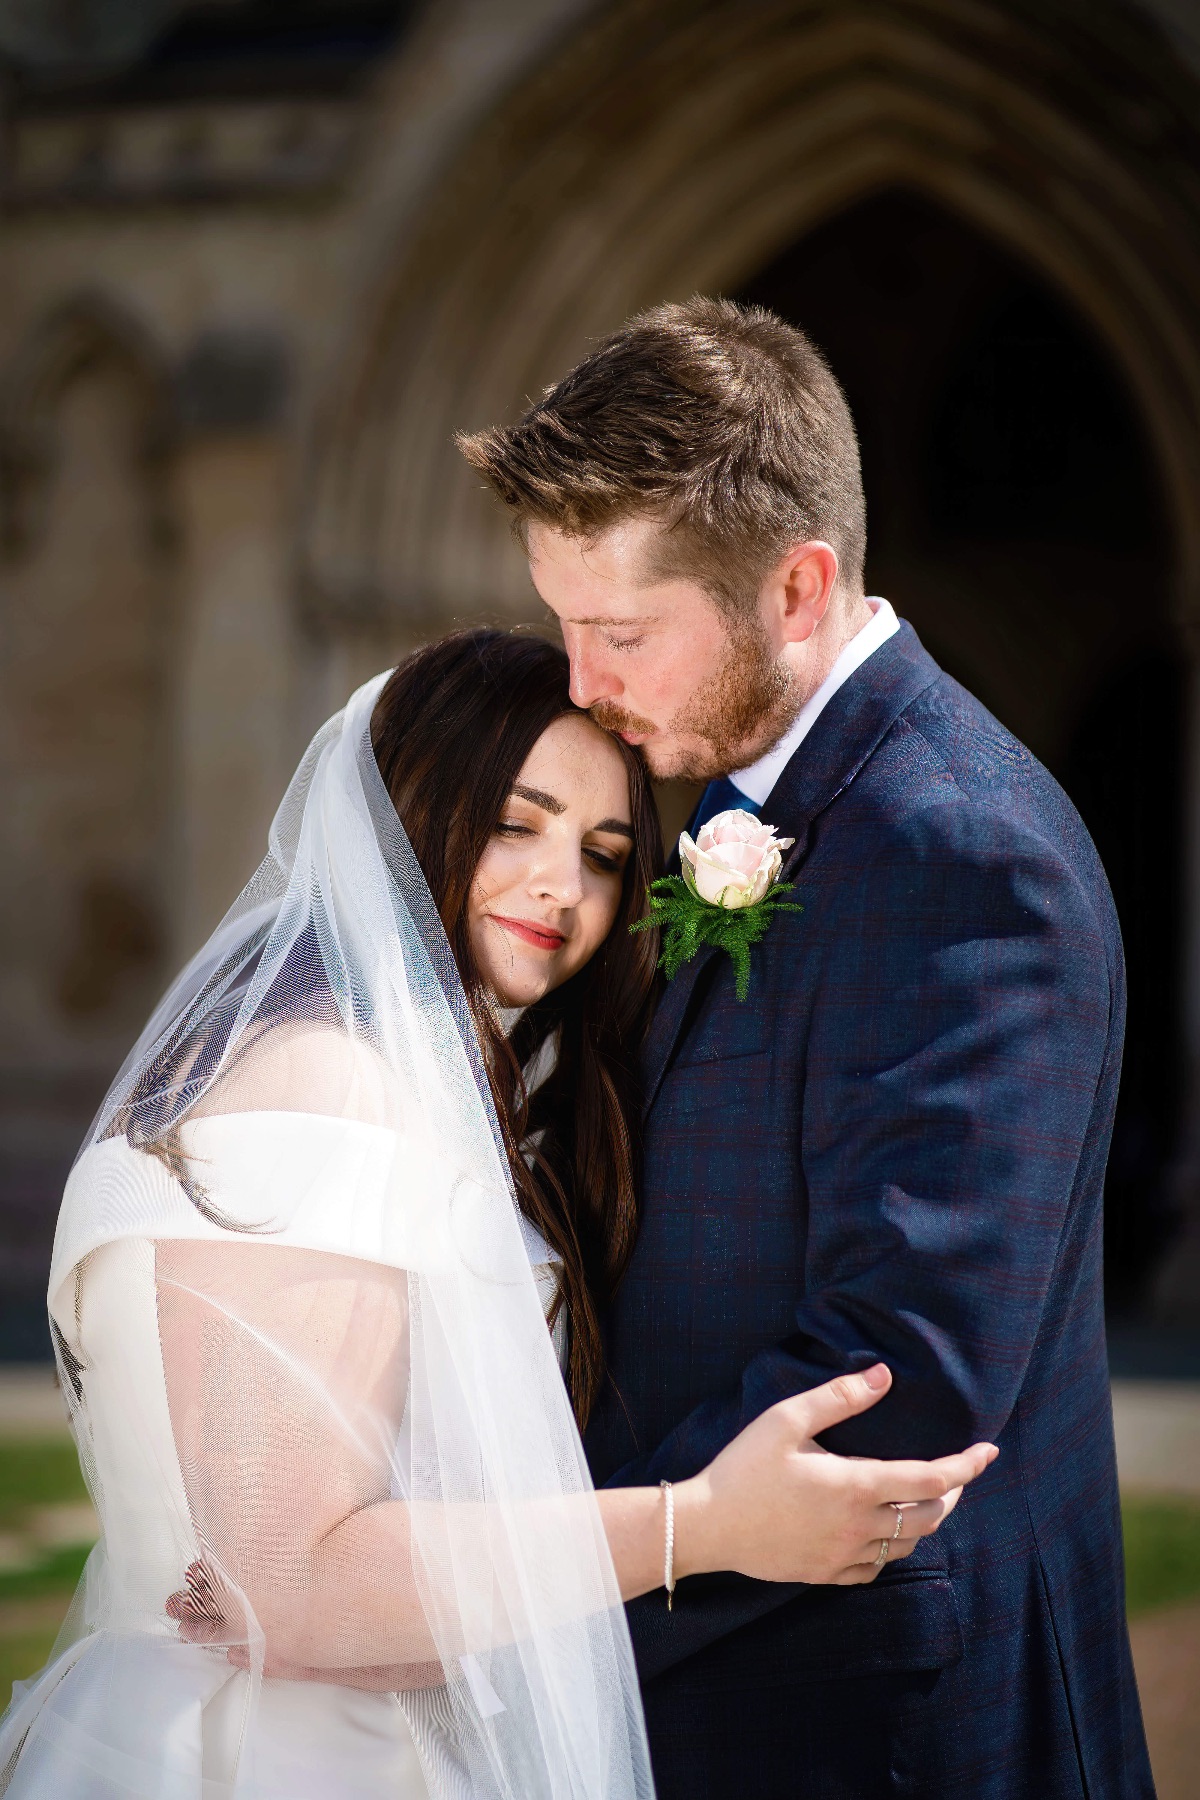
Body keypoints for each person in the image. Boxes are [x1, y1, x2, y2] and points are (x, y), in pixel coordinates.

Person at [0, 630, 993, 1800]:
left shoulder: (383, 1079)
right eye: (516, 824)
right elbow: (290, 1583)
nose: (561, 887)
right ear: (412, 810)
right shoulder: (329, 1085)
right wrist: (701, 1525)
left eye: (605, 852)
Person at [459, 299, 1155, 1799]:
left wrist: (510, 1586)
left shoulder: (964, 852)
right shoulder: (734, 796)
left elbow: (893, 1377)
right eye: (568, 623)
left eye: (624, 633)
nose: (582, 683)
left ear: (797, 590)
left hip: (879, 1727)